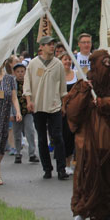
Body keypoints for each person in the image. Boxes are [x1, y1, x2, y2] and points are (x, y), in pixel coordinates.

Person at [66, 50, 110, 220]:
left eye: (109, 62)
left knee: (106, 182)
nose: (107, 66)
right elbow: (72, 112)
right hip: (88, 144)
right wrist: (84, 94)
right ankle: (81, 209)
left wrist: (104, 103)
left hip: (109, 143)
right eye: (103, 63)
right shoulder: (84, 85)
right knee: (85, 179)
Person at [23, 36, 70, 180]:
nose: (52, 47)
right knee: (42, 138)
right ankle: (47, 168)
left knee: (57, 137)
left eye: (53, 44)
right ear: (41, 47)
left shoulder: (58, 64)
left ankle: (61, 169)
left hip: (54, 104)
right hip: (38, 105)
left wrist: (63, 104)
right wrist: (29, 100)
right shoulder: (33, 64)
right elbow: (27, 84)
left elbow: (63, 86)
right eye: (48, 44)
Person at [11, 62, 38, 164]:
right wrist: (10, 114)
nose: (20, 74)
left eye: (22, 71)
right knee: (16, 133)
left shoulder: (29, 83)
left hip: (27, 111)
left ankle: (32, 153)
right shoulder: (12, 84)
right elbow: (10, 100)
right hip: (15, 112)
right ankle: (18, 153)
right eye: (18, 72)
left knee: (30, 131)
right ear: (14, 73)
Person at [60, 53, 78, 168]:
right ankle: (64, 164)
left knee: (73, 137)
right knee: (64, 136)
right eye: (65, 59)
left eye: (69, 59)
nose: (67, 62)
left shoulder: (76, 74)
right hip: (62, 111)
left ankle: (71, 162)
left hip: (75, 111)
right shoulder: (58, 76)